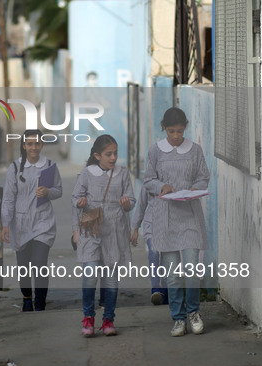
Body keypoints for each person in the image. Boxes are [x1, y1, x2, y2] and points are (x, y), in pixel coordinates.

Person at [143, 107, 210, 337]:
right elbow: (148, 179)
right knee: (172, 273)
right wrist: (161, 187)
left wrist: (195, 188)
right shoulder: (155, 151)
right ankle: (178, 319)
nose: (175, 136)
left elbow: (204, 176)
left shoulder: (195, 150)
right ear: (164, 128)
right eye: (171, 131)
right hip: (166, 216)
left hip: (189, 213)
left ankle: (193, 313)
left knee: (191, 269)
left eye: (179, 131)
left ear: (185, 128)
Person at [72, 134, 135, 337]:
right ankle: (88, 317)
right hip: (91, 230)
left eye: (115, 153)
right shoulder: (87, 173)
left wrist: (126, 204)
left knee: (111, 279)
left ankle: (108, 319)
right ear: (98, 155)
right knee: (90, 274)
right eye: (109, 154)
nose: (113, 157)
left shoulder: (123, 174)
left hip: (115, 232)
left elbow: (131, 200)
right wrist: (80, 203)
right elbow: (75, 197)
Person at [1, 129, 62, 312]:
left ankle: (40, 302)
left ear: (42, 145)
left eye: (37, 143)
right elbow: (8, 198)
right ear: (24, 145)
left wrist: (48, 192)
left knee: (39, 263)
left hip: (43, 222)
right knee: (24, 266)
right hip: (20, 224)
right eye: (30, 144)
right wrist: (5, 223)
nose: (34, 147)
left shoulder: (50, 165)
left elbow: (58, 190)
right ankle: (27, 298)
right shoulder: (14, 168)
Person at [131, 185, 168, 305]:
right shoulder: (149, 182)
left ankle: (166, 292)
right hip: (151, 225)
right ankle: (156, 289)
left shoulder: (173, 177)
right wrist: (135, 228)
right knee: (154, 253)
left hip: (169, 225)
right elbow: (141, 205)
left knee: (167, 258)